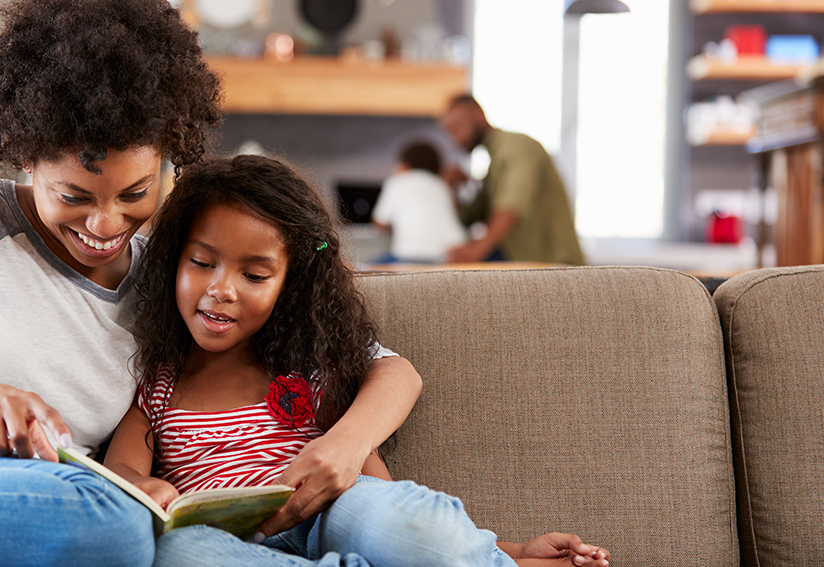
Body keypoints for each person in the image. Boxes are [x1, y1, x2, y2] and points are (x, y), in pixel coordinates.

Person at [0, 2, 425, 566]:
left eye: (135, 193)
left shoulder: (179, 274)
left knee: (120, 525)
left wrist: (338, 446)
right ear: (23, 152)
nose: (106, 223)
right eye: (74, 194)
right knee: (110, 521)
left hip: (29, 507)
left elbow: (384, 368)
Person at [104, 154, 612, 567]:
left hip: (327, 520)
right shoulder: (159, 387)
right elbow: (120, 468)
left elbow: (382, 507)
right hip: (229, 545)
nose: (220, 290)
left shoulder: (310, 373)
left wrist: (510, 551)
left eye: (254, 276)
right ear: (173, 260)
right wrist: (145, 486)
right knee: (178, 553)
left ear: (289, 285)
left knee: (387, 515)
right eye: (200, 263)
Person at [441, 94, 585, 266]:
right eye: (449, 131)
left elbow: (512, 205)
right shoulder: (494, 164)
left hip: (557, 267)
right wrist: (451, 188)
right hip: (527, 265)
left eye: (457, 126)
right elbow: (468, 217)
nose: (454, 138)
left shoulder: (517, 146)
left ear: (478, 114)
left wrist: (477, 250)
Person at [371, 140, 468, 264]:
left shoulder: (397, 181)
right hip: (452, 252)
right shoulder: (441, 184)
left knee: (366, 267)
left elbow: (379, 224)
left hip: (411, 254)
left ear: (404, 165)